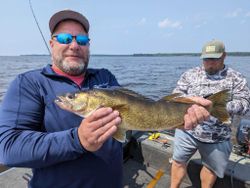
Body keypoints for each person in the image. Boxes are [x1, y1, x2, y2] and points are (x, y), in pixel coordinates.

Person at [0, 9, 211, 188]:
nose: (74, 45)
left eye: (81, 39)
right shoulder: (28, 83)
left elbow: (140, 111)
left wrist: (178, 113)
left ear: (88, 45)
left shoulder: (104, 76)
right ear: (51, 43)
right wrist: (77, 140)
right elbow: (8, 147)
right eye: (65, 38)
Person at [170, 40, 250, 188]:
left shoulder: (236, 78)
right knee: (178, 161)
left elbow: (245, 104)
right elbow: (175, 95)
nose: (210, 63)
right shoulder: (190, 74)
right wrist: (190, 102)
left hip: (218, 137)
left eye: (215, 59)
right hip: (187, 131)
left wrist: (217, 106)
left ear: (224, 56)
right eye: (206, 59)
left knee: (210, 169)